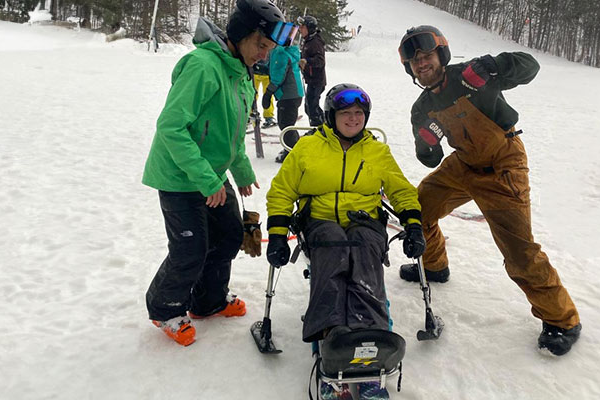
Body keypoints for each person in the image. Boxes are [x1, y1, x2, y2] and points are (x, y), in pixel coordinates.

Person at [397, 25, 582, 356]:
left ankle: (562, 319)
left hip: (502, 165)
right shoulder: (421, 108)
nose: (422, 65)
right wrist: (426, 144)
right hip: (463, 164)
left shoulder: (469, 77)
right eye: (415, 62)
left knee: (519, 252)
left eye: (426, 57)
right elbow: (430, 158)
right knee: (417, 208)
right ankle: (435, 266)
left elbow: (530, 66)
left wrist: (494, 65)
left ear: (441, 54)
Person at [141, 0, 291, 347]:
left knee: (227, 235)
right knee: (191, 248)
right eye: (261, 45)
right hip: (180, 176)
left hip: (211, 174)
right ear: (241, 35)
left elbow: (232, 132)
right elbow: (171, 127)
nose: (264, 56)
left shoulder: (240, 74)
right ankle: (165, 309)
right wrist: (208, 180)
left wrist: (240, 170)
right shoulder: (203, 66)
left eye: (269, 49)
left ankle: (207, 302)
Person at [265, 84, 424, 399]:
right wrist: (278, 235)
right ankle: (332, 338)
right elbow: (282, 191)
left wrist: (414, 225)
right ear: (330, 116)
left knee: (364, 249)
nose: (353, 118)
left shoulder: (377, 151)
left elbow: (401, 189)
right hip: (320, 221)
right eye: (345, 113)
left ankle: (371, 340)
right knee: (334, 247)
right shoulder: (308, 149)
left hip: (364, 221)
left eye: (359, 113)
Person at [262, 40, 304, 163]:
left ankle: (291, 152)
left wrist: (268, 92)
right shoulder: (285, 52)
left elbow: (278, 76)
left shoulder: (281, 53)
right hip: (293, 94)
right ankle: (292, 148)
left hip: (289, 95)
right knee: (288, 123)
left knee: (285, 124)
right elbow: (274, 69)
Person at [297, 15, 326, 127]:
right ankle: (321, 126)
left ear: (309, 28)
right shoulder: (308, 41)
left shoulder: (315, 42)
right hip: (312, 80)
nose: (300, 29)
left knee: (312, 107)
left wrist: (306, 61)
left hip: (317, 81)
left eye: (302, 27)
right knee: (309, 107)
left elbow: (320, 60)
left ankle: (320, 128)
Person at [252, 59, 277, 128]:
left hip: (265, 72)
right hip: (257, 71)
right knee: (253, 94)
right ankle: (252, 113)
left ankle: (268, 116)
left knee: (267, 95)